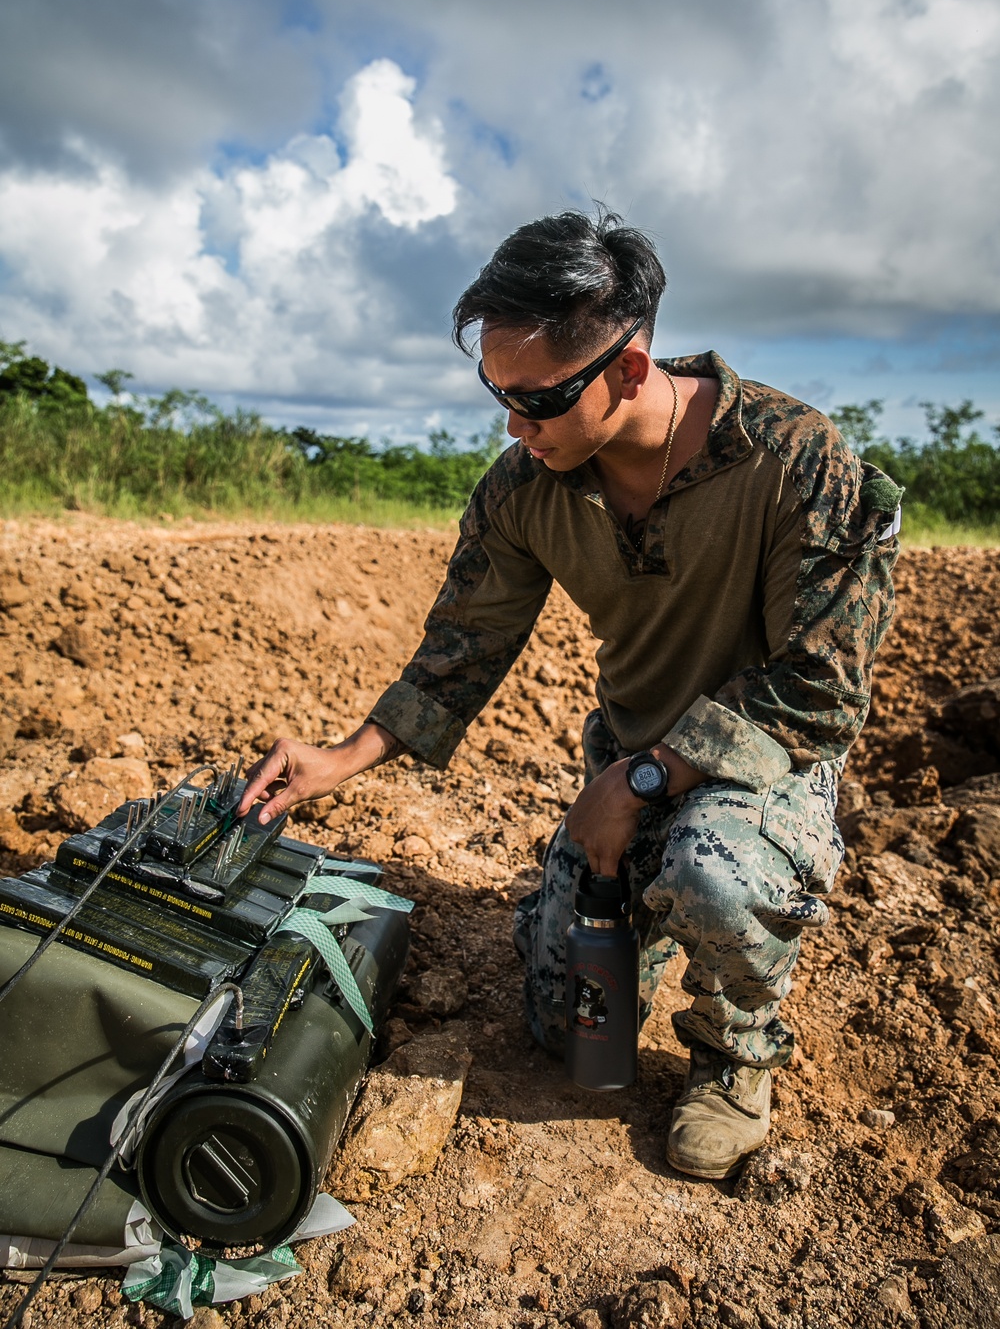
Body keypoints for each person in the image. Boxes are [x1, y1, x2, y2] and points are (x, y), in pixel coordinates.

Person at [239, 209, 901, 1180]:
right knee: (562, 1028)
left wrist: (639, 781)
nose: (513, 425)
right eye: (496, 392)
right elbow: (461, 646)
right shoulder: (526, 488)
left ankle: (734, 1051)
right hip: (628, 761)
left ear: (628, 371)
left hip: (763, 765)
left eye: (537, 399)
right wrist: (341, 757)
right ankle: (636, 899)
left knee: (715, 874)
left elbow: (824, 687)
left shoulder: (794, 458)